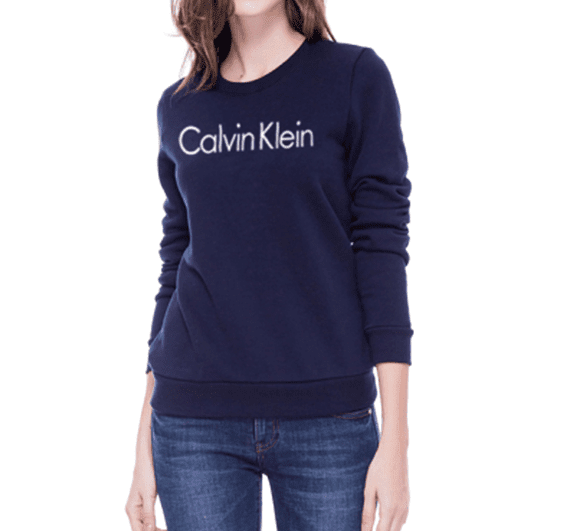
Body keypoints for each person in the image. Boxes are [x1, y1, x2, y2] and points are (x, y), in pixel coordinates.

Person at [126, 1, 412, 530]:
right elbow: (175, 263)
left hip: (329, 417)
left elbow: (382, 248)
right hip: (192, 421)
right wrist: (143, 437)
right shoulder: (181, 106)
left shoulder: (354, 78)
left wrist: (396, 438)